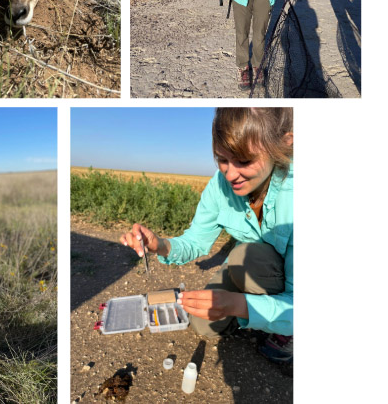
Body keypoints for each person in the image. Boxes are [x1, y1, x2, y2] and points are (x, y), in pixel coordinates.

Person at [120, 107, 293, 362]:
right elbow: (195, 241)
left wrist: (236, 304)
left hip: (280, 278)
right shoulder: (219, 186)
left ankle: (286, 332)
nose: (231, 174)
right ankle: (253, 316)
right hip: (248, 269)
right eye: (222, 159)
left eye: (244, 161)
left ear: (284, 144)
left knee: (246, 254)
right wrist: (160, 245)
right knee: (203, 323)